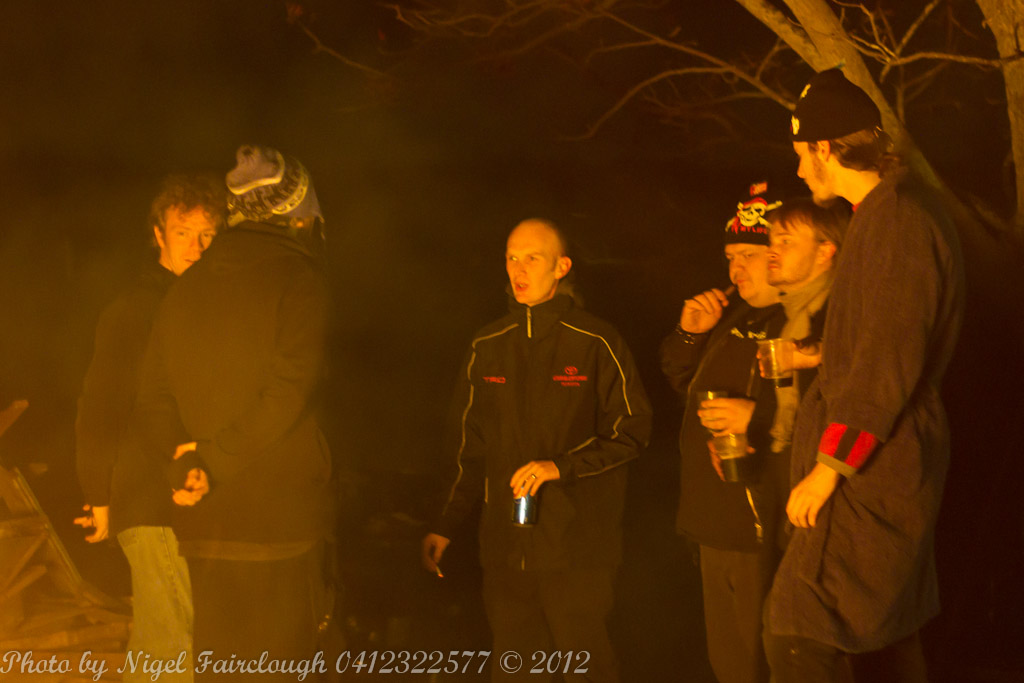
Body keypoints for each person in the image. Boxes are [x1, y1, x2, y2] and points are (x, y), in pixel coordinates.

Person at [763, 68, 965, 683]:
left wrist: (828, 470)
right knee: (883, 639)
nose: (800, 170)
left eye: (803, 154)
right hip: (881, 468)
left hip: (871, 473)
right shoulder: (877, 219)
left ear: (827, 148)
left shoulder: (898, 223)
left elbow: (886, 364)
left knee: (799, 628)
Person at [422, 218, 651, 682]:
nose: (519, 269)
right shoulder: (488, 344)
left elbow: (632, 431)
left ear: (561, 267)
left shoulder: (596, 341)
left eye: (532, 258)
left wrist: (560, 467)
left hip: (577, 546)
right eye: (511, 257)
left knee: (585, 666)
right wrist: (444, 524)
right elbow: (467, 447)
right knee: (515, 667)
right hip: (505, 547)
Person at [136, 146, 331, 680]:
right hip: (281, 525)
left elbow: (152, 400)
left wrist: (185, 466)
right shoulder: (301, 280)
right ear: (296, 214)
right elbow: (287, 394)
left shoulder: (183, 290)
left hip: (205, 524)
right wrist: (214, 460)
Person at [74, 173, 224, 682]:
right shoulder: (132, 311)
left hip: (194, 498)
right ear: (159, 234)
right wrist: (98, 495)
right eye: (183, 232)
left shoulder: (213, 308)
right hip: (148, 500)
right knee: (171, 644)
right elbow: (99, 407)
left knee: (178, 640)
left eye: (208, 234)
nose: (196, 247)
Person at [660, 183, 786, 683]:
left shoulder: (800, 322)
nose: (735, 270)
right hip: (713, 525)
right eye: (731, 257)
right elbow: (683, 382)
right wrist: (690, 334)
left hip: (762, 528)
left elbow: (827, 407)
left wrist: (755, 414)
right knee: (728, 664)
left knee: (766, 662)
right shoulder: (734, 317)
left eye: (748, 255)